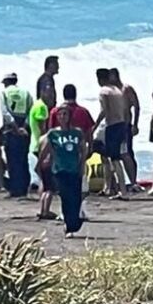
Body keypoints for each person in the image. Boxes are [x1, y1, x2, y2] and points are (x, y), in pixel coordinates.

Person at [39, 102, 88, 238]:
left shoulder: (77, 133)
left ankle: (74, 222)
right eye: (60, 114)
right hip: (60, 170)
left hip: (74, 169)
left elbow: (83, 150)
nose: (62, 117)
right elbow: (46, 149)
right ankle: (68, 225)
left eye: (65, 114)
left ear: (70, 116)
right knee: (65, 198)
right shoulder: (53, 133)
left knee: (76, 198)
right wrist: (40, 163)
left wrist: (82, 165)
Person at [92, 68, 131, 198]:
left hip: (112, 126)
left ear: (99, 79)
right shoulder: (118, 91)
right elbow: (125, 109)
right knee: (116, 158)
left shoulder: (104, 91)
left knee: (114, 159)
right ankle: (116, 188)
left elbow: (104, 111)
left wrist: (94, 126)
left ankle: (122, 191)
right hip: (122, 124)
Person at [0, 72, 34, 197]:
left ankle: (15, 190)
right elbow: (30, 111)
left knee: (12, 160)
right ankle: (24, 189)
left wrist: (15, 127)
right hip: (25, 129)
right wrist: (24, 127)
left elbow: (5, 113)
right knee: (23, 159)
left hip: (11, 129)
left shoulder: (4, 93)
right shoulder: (26, 93)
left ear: (6, 82)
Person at [109, 68, 141, 190]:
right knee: (115, 154)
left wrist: (135, 124)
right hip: (114, 126)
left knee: (127, 153)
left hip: (125, 125)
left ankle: (133, 182)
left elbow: (136, 106)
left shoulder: (126, 89)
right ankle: (117, 183)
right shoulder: (111, 91)